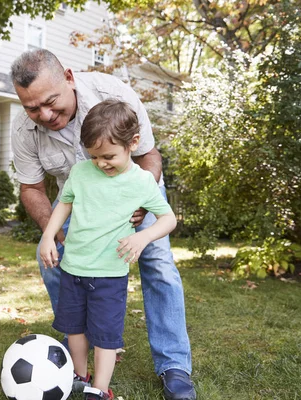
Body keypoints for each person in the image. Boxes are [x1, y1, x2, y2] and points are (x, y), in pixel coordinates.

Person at [10, 49, 196, 400]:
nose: (45, 115)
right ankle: (79, 343)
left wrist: (140, 207)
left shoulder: (114, 94)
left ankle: (174, 365)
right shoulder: (23, 128)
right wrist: (57, 234)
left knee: (158, 266)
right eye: (32, 108)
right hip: (80, 202)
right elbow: (32, 189)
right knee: (49, 259)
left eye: (51, 102)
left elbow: (149, 155)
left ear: (68, 78)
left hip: (134, 196)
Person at [40, 99, 178, 400]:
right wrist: (49, 235)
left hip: (109, 275)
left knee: (104, 336)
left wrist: (143, 238)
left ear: (134, 143)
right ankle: (79, 375)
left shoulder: (141, 181)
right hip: (73, 268)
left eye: (109, 156)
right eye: (95, 156)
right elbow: (65, 203)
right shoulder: (81, 172)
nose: (101, 163)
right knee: (73, 328)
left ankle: (99, 389)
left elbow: (169, 219)